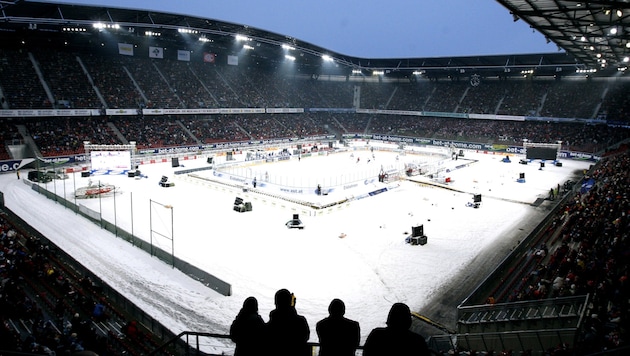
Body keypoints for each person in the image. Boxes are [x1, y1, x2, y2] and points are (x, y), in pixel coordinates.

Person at [363, 302, 430, 356]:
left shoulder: (377, 334)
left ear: (390, 318)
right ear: (408, 320)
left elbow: (366, 353)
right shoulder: (417, 340)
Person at [267, 288, 310, 356]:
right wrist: (292, 307)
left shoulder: (272, 322)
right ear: (289, 301)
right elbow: (305, 337)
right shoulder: (300, 321)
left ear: (276, 302)